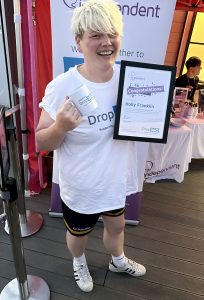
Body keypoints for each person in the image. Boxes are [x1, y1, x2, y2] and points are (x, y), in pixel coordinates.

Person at [35, 0, 146, 293]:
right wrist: (60, 127)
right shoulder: (63, 85)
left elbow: (145, 120)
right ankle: (79, 261)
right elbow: (40, 140)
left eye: (112, 33)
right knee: (78, 235)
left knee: (118, 226)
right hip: (82, 187)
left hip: (116, 181)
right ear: (79, 41)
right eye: (96, 35)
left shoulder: (131, 79)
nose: (106, 42)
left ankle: (117, 260)